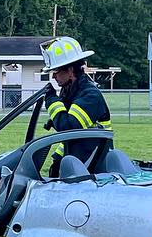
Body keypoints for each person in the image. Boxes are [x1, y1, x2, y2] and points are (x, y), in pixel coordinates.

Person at [41, 37, 112, 172]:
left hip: (93, 164)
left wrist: (50, 99)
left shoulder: (90, 95)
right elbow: (73, 136)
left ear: (70, 70)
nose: (53, 76)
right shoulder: (70, 91)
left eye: (56, 71)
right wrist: (59, 157)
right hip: (80, 156)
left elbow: (68, 128)